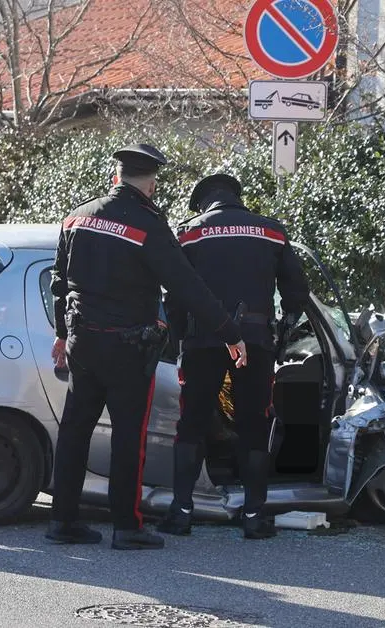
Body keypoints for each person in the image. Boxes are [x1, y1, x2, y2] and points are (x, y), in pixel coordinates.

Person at [48, 144, 248, 551]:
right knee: (128, 436)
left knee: (74, 431)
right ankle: (127, 526)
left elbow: (59, 279)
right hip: (126, 349)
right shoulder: (148, 226)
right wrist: (229, 332)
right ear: (151, 184)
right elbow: (188, 287)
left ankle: (62, 521)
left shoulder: (77, 216)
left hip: (82, 341)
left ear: (115, 177)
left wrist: (60, 332)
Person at [159, 173, 309, 540]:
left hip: (203, 342)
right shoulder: (271, 231)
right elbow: (297, 291)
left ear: (204, 202)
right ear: (236, 198)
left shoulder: (189, 232)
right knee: (253, 424)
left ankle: (181, 513)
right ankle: (255, 516)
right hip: (256, 341)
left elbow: (174, 292)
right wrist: (283, 332)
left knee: (192, 423)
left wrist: (180, 338)